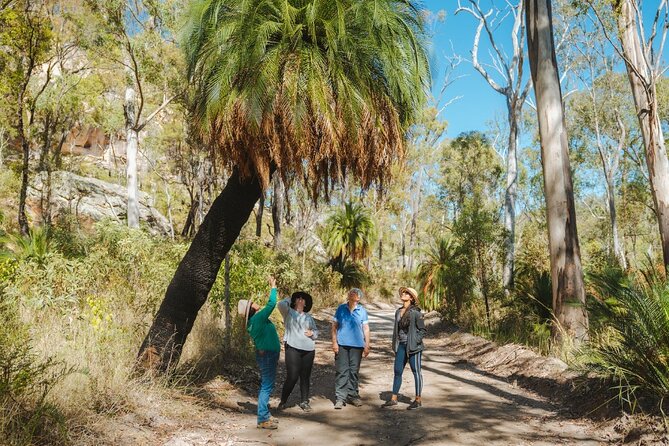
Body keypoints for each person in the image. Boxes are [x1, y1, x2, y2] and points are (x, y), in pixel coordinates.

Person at [238, 277, 281, 429]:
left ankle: (265, 415)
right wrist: (273, 287)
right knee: (267, 386)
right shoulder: (258, 319)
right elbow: (271, 304)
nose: (254, 302)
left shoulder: (255, 321)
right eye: (252, 303)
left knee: (267, 384)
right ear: (251, 309)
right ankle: (262, 419)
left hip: (267, 354)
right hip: (268, 355)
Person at [382, 286, 426, 410]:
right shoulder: (398, 311)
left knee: (416, 372)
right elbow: (396, 330)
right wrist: (395, 344)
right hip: (401, 345)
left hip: (413, 347)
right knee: (397, 371)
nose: (404, 294)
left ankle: (418, 400)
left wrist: (415, 341)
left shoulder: (416, 313)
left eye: (407, 293)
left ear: (411, 298)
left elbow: (423, 330)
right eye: (404, 292)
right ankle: (393, 399)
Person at [277, 291, 319, 412]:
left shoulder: (309, 317)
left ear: (306, 303)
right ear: (294, 301)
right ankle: (283, 401)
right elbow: (280, 304)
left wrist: (313, 333)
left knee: (305, 376)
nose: (300, 300)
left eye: (303, 299)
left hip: (309, 349)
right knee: (292, 376)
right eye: (298, 298)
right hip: (292, 347)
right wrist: (291, 298)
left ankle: (304, 401)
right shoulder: (288, 313)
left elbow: (316, 332)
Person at [331, 287, 370, 409]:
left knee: (353, 372)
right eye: (352, 293)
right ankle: (340, 398)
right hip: (342, 344)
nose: (355, 295)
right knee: (342, 371)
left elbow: (366, 328)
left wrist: (367, 344)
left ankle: (353, 395)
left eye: (357, 293)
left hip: (358, 346)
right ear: (349, 296)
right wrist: (334, 343)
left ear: (359, 298)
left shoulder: (362, 310)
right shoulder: (341, 309)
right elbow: (334, 326)